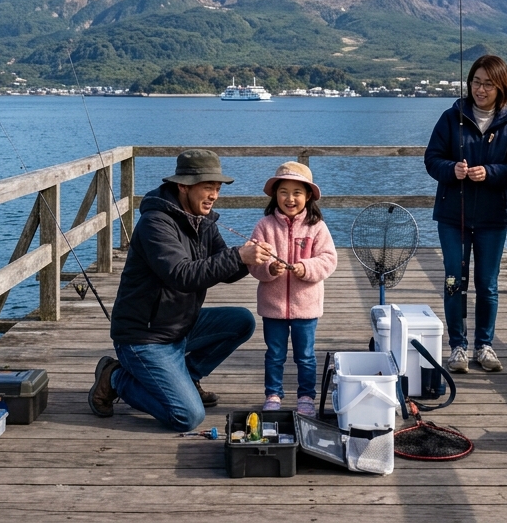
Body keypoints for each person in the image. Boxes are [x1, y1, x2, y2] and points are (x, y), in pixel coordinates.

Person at [88, 149, 273, 431]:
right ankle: (115, 377)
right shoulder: (155, 223)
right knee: (187, 417)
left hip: (180, 326)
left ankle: (187, 374)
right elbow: (181, 275)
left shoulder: (203, 221)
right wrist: (238, 256)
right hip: (144, 337)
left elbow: (226, 271)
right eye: (208, 187)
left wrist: (254, 258)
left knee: (242, 321)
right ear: (183, 186)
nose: (214, 195)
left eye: (217, 188)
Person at [423, 55, 507, 374]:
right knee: (454, 280)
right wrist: (451, 169)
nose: (481, 89)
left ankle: (485, 345)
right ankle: (457, 346)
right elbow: (431, 159)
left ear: (502, 87)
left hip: (493, 218)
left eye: (488, 84)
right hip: (453, 216)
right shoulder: (450, 117)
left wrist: (491, 173)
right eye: (476, 82)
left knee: (488, 284)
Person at [248, 162, 338, 417]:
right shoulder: (264, 226)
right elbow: (253, 262)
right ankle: (273, 394)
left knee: (306, 356)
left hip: (306, 308)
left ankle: (306, 396)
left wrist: (305, 268)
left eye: (297, 192)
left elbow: (329, 259)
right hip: (272, 307)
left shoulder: (317, 226)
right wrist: (269, 269)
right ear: (275, 194)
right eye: (283, 191)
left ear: (308, 196)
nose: (290, 198)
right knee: (274, 354)